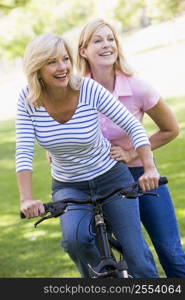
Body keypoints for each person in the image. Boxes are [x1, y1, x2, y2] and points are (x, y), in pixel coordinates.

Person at [16, 32, 161, 278]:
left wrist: (149, 168)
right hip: (68, 185)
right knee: (75, 242)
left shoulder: (87, 88)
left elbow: (133, 125)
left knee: (136, 254)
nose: (62, 68)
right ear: (37, 68)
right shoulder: (28, 99)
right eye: (52, 62)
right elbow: (24, 150)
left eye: (65, 59)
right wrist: (26, 199)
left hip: (111, 176)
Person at [76, 18, 185, 277]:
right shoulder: (77, 91)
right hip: (102, 181)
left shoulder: (137, 86)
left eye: (111, 39)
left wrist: (132, 153)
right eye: (98, 40)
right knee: (128, 256)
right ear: (83, 50)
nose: (107, 45)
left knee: (170, 250)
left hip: (141, 176)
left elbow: (171, 129)